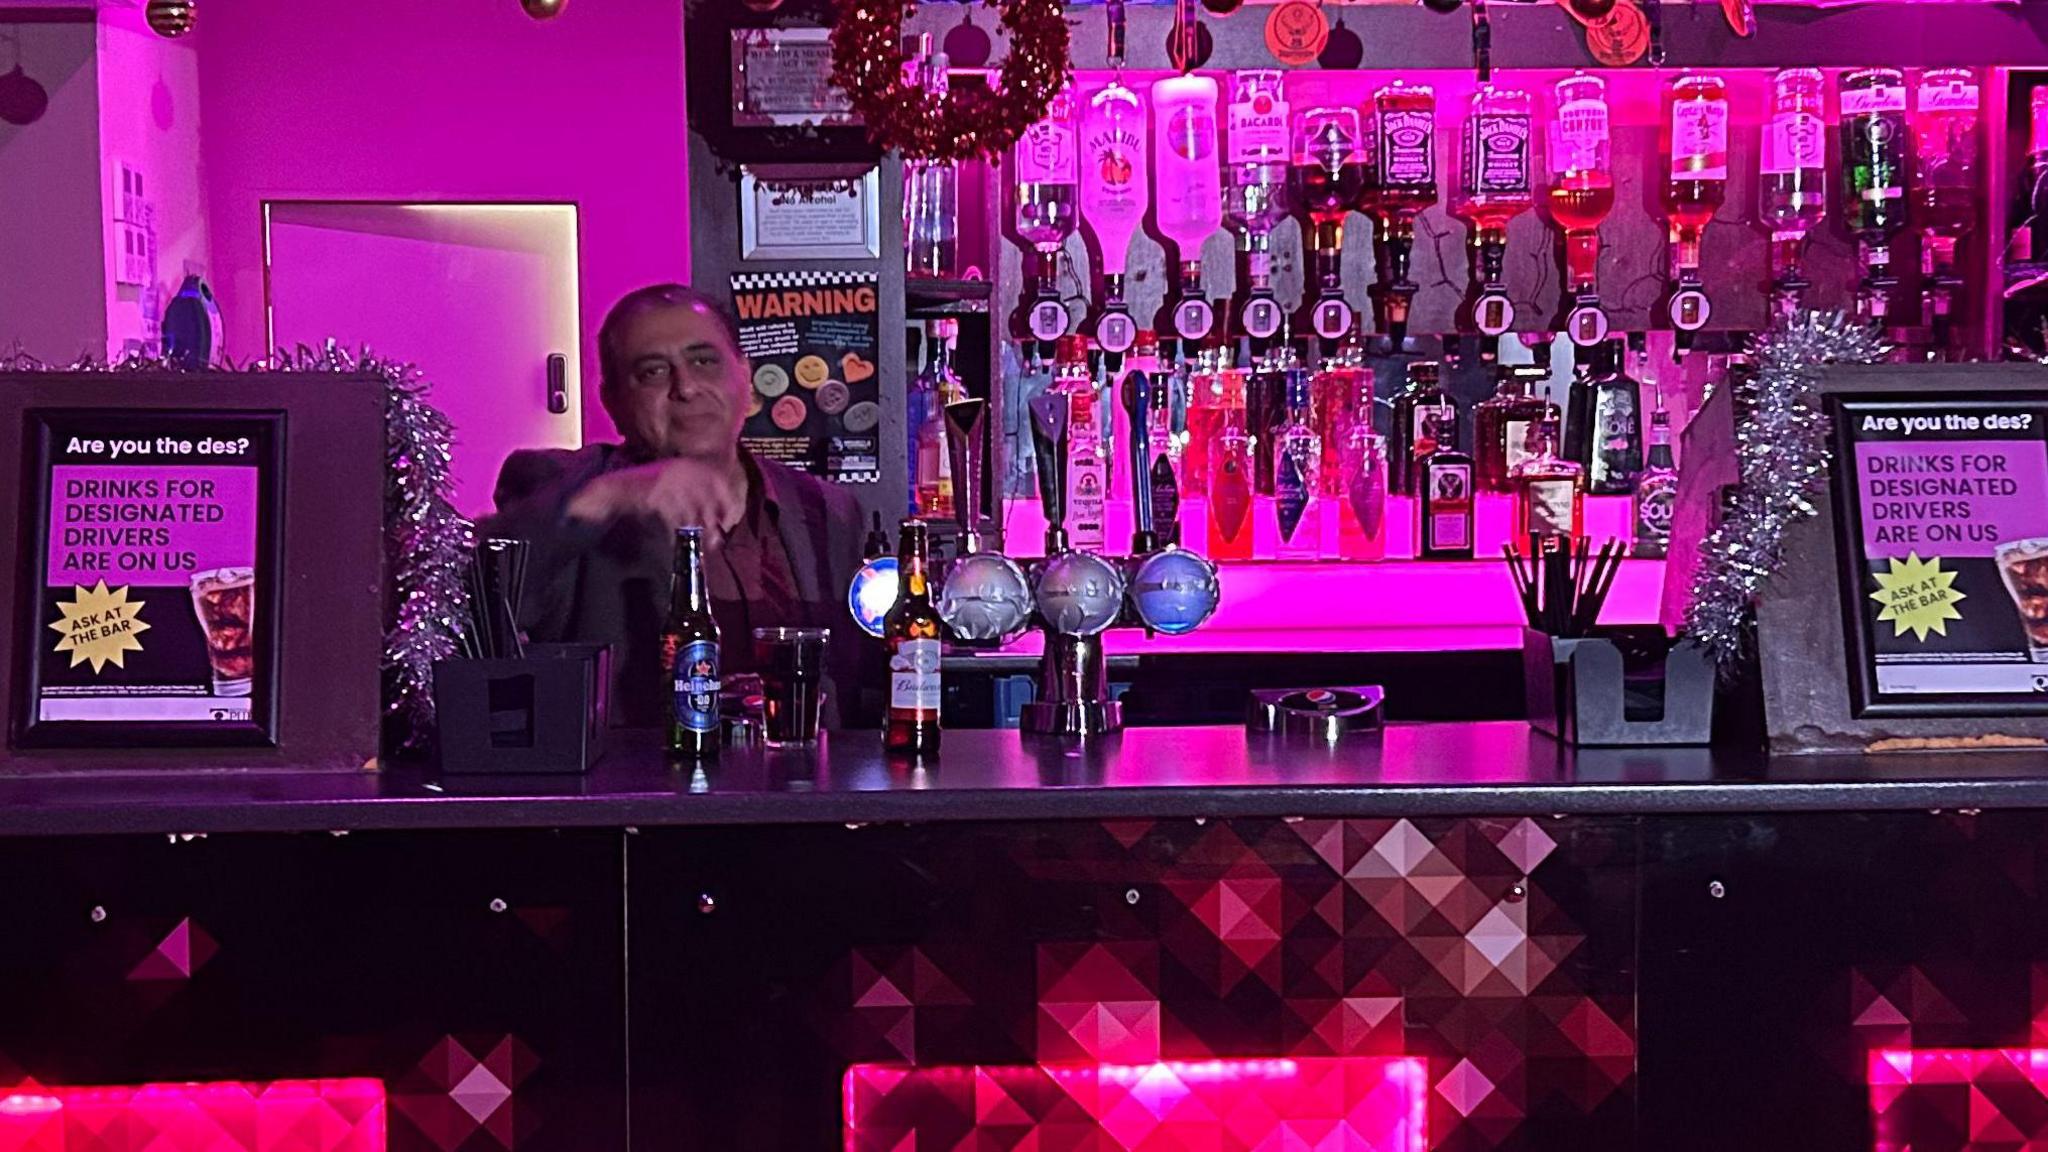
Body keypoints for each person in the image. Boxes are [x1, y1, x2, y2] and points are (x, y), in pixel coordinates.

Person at [483, 284, 876, 729]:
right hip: (638, 793)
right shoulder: (562, 486)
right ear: (612, 402)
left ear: (745, 378)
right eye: (652, 372)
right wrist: (607, 498)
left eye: (704, 361)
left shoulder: (827, 509)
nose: (685, 387)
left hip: (796, 790)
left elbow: (856, 682)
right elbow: (459, 596)